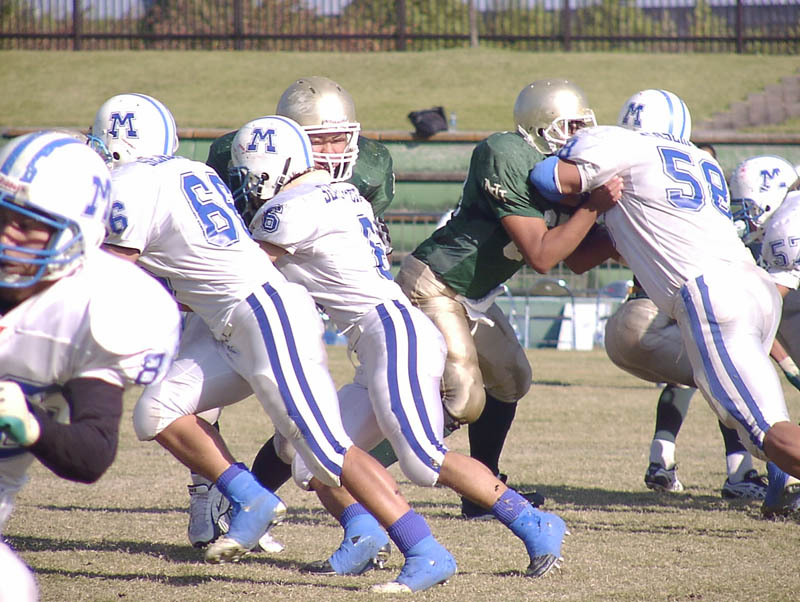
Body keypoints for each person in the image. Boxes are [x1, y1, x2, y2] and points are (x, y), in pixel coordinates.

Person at [102, 110, 460, 593]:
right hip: (232, 322)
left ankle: (424, 548)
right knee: (157, 411)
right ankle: (251, 498)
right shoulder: (185, 172)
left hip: (264, 314)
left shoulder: (133, 180)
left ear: (118, 142)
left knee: (326, 449)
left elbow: (116, 267)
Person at [238, 114, 569, 581]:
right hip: (381, 338)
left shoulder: (288, 210)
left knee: (422, 459)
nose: (249, 182)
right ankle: (362, 536)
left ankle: (532, 523)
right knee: (311, 459)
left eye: (250, 171)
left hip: (393, 335)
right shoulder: (339, 193)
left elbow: (241, 278)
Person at [530, 88, 800, 518]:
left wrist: (570, 184)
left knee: (765, 431)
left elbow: (550, 178)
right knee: (765, 416)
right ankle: (783, 491)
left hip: (712, 295)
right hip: (756, 288)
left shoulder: (624, 144)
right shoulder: (701, 161)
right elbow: (584, 257)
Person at [392, 79, 621, 520]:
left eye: (583, 125)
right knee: (462, 400)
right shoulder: (506, 153)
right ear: (539, 125)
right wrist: (594, 206)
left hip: (474, 296)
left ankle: (482, 491)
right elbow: (542, 255)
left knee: (511, 379)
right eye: (569, 125)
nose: (578, 135)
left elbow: (576, 259)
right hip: (436, 284)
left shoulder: (564, 171)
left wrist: (624, 233)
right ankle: (351, 465)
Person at [0, 130, 180, 601]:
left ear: (74, 238)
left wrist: (29, 424)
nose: (7, 235)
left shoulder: (96, 306)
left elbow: (93, 453)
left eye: (27, 224)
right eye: (2, 216)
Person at [604, 149, 798, 499]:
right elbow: (751, 316)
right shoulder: (773, 227)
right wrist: (786, 365)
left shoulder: (670, 196)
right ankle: (757, 477)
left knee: (719, 378)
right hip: (669, 310)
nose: (742, 211)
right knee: (740, 382)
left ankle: (664, 460)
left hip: (636, 317)